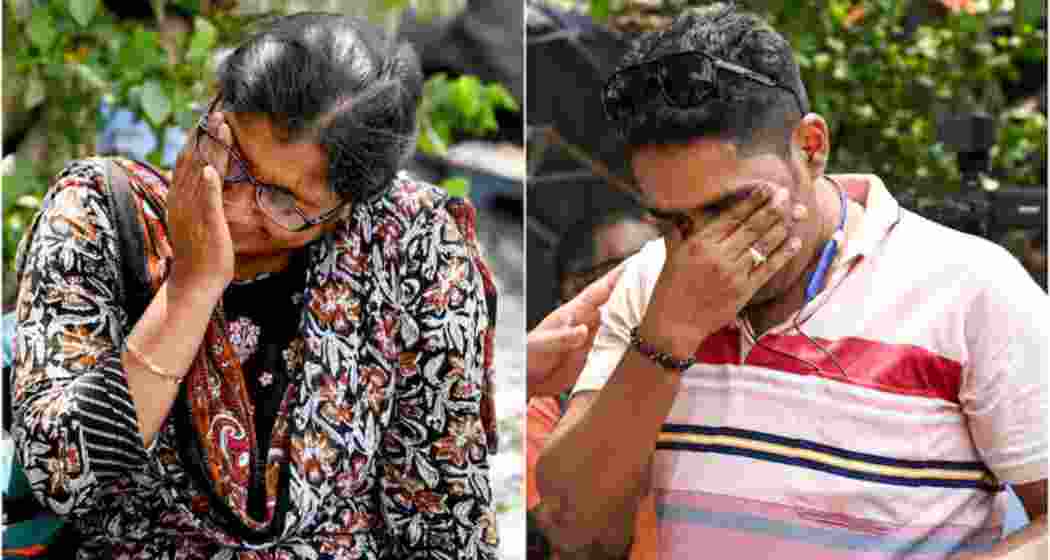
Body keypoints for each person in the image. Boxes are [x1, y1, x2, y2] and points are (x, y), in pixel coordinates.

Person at [535, 4, 1048, 559]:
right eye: (674, 221)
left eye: (731, 208)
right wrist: (665, 338)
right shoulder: (651, 280)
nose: (704, 248)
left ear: (810, 147)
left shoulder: (972, 286)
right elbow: (578, 532)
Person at [11, 13, 499, 559]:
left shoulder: (407, 245)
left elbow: (441, 513)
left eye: (284, 201)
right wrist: (190, 287)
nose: (235, 209)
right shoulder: (98, 213)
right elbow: (59, 473)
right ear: (215, 109)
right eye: (233, 158)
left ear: (347, 208)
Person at [526, 210, 660, 560]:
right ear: (577, 288)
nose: (664, 279)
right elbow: (578, 541)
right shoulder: (543, 404)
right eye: (639, 267)